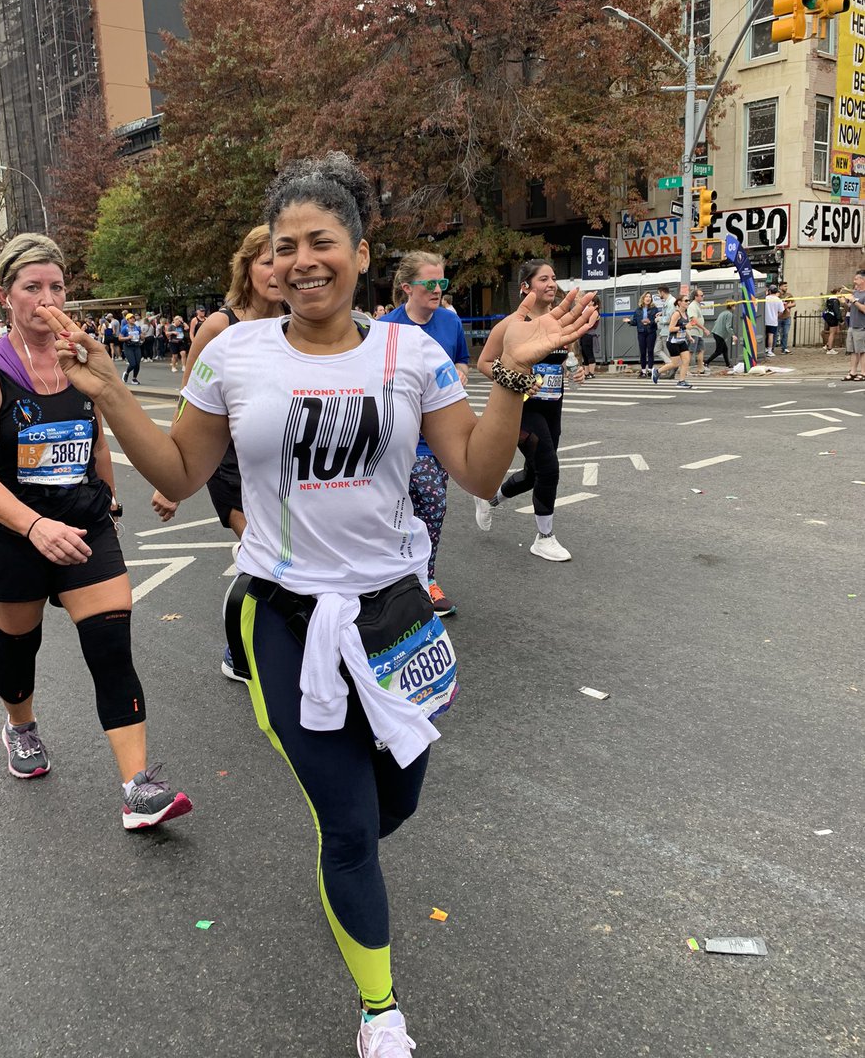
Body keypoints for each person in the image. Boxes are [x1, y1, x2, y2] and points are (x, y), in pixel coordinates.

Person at [43, 153, 596, 1057]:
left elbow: (481, 472)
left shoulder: (411, 354)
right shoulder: (235, 353)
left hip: (393, 619)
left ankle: (350, 871)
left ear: (360, 252)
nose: (303, 260)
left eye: (322, 242)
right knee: (346, 826)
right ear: (269, 260)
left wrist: (512, 377)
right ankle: (382, 1012)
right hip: (285, 619)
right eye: (286, 245)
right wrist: (107, 393)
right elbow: (181, 472)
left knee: (394, 808)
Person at [0, 233, 191, 829]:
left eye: (57, 287)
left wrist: (110, 500)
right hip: (15, 530)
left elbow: (93, 440)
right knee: (18, 654)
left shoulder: (84, 357)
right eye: (32, 287)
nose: (47, 299)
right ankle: (21, 727)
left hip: (84, 522)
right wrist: (35, 526)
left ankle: (139, 787)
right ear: (5, 296)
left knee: (111, 648)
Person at [150, 224, 286, 679]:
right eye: (265, 261)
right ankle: (238, 649)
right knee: (262, 552)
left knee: (284, 560)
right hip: (227, 461)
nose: (275, 270)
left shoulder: (299, 320)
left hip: (280, 460)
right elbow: (189, 399)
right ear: (246, 268)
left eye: (280, 259)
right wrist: (171, 481)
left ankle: (279, 643)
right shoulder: (220, 325)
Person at [473, 259, 583, 561]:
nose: (551, 284)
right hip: (521, 406)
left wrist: (577, 370)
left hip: (552, 404)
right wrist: (515, 379)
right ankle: (544, 537)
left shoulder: (557, 320)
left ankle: (490, 498)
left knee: (535, 473)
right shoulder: (511, 325)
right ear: (526, 287)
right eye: (543, 279)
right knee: (549, 467)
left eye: (554, 278)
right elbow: (484, 362)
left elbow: (565, 357)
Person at [384, 253, 469, 617]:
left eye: (442, 283)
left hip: (440, 439)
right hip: (399, 440)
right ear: (407, 288)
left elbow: (462, 359)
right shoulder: (387, 328)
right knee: (401, 512)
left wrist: (460, 375)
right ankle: (396, 583)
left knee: (431, 511)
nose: (437, 290)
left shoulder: (450, 322)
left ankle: (425, 578)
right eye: (429, 284)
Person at [652, 293, 693, 387]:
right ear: (679, 302)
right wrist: (684, 327)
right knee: (675, 363)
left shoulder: (686, 314)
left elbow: (684, 328)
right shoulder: (676, 314)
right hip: (673, 342)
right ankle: (657, 371)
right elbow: (671, 329)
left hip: (682, 341)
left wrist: (689, 336)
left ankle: (681, 381)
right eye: (686, 301)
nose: (688, 302)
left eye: (688, 300)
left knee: (686, 360)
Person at [629, 292, 658, 377]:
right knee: (642, 352)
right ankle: (643, 371)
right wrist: (629, 321)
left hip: (651, 332)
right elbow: (635, 322)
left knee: (650, 351)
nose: (648, 298)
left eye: (650, 297)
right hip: (641, 332)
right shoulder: (638, 310)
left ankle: (650, 370)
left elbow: (656, 321)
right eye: (646, 297)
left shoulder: (654, 309)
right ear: (643, 298)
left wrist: (650, 322)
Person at [843, 270, 865, 381]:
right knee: (852, 350)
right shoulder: (855, 293)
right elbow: (851, 308)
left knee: (862, 350)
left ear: (863, 280)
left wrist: (854, 301)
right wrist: (844, 303)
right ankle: (852, 372)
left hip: (862, 326)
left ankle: (863, 372)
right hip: (852, 325)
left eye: (856, 279)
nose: (854, 281)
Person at [653, 283, 677, 378]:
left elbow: (670, 319)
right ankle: (671, 365)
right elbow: (668, 315)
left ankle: (672, 366)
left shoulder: (671, 302)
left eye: (659, 293)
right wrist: (661, 314)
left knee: (666, 352)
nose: (659, 295)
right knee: (657, 350)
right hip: (663, 331)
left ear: (662, 292)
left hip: (667, 332)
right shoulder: (669, 301)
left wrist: (659, 319)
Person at [705, 302, 737, 369]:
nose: (735, 308)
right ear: (731, 307)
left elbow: (716, 322)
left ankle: (728, 365)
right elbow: (728, 326)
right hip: (720, 334)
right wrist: (733, 335)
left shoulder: (723, 313)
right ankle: (706, 362)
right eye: (734, 306)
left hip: (716, 332)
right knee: (718, 351)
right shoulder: (729, 314)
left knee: (725, 349)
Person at [686, 287, 710, 376]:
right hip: (694, 332)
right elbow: (694, 321)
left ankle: (701, 369)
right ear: (696, 297)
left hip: (699, 333)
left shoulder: (697, 305)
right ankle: (685, 369)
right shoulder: (692, 306)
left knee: (701, 350)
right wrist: (704, 329)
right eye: (701, 295)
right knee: (690, 351)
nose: (703, 297)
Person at [119, 311, 142, 385]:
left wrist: (142, 336)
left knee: (137, 363)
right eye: (131, 318)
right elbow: (120, 338)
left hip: (136, 346)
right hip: (128, 346)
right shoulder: (124, 328)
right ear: (127, 320)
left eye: (133, 318)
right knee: (132, 364)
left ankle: (134, 378)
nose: (133, 319)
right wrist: (127, 337)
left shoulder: (137, 327)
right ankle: (126, 373)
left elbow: (142, 335)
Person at [580, 297, 599, 377]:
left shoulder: (595, 312)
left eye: (590, 301)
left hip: (589, 334)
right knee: (584, 354)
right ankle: (586, 372)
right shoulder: (588, 310)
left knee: (589, 353)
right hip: (583, 333)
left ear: (594, 302)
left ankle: (591, 372)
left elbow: (590, 324)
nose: (588, 302)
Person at [763, 285, 783, 357]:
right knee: (770, 335)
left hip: (764, 319)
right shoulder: (778, 300)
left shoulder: (765, 298)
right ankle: (769, 350)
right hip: (773, 320)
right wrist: (776, 316)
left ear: (769, 291)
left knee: (763, 335)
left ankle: (763, 349)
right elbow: (781, 311)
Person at [822, 288, 843, 354]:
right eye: (840, 292)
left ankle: (827, 345)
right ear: (837, 292)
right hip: (833, 317)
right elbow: (837, 311)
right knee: (832, 333)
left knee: (836, 331)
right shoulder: (835, 300)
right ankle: (829, 349)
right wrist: (841, 320)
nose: (841, 294)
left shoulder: (829, 299)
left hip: (828, 315)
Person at [776, 281, 794, 354]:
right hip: (778, 317)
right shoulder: (777, 294)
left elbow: (793, 303)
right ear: (780, 287)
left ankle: (784, 348)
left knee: (785, 333)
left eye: (786, 286)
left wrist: (788, 306)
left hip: (787, 317)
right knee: (775, 333)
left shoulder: (789, 295)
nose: (786, 288)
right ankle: (771, 348)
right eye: (784, 286)